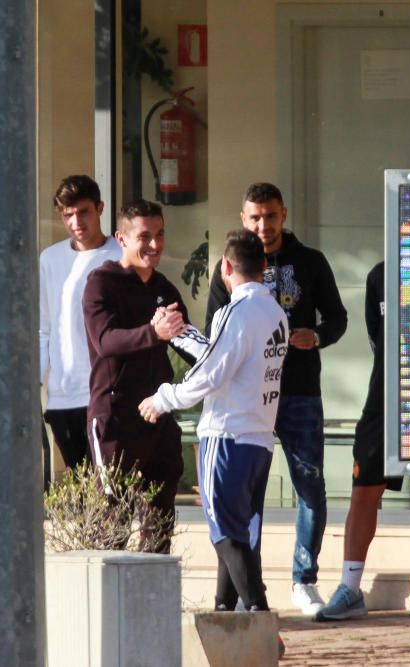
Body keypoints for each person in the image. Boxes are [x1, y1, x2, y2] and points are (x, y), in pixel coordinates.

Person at [205, 182, 348, 616]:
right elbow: (215, 328)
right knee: (249, 501)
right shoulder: (229, 266)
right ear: (243, 217)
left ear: (283, 214)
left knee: (311, 488)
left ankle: (304, 580)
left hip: (300, 391)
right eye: (254, 217)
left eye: (269, 216)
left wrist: (317, 336)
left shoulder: (311, 262)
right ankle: (252, 586)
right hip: (249, 401)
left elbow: (338, 317)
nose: (262, 225)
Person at [139, 229, 288, 612]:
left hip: (226, 436)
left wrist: (163, 398)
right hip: (258, 439)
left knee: (224, 532)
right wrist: (182, 333)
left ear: (225, 268)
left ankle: (260, 615)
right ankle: (226, 613)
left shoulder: (236, 311)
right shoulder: (274, 313)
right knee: (236, 531)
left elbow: (211, 373)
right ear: (265, 267)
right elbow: (225, 359)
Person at [316, 261, 410, 621]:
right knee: (364, 489)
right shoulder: (378, 275)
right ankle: (351, 588)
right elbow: (376, 337)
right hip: (382, 401)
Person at [83, 198, 206, 552]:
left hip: (158, 416)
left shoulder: (164, 288)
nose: (154, 245)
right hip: (114, 418)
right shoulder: (102, 282)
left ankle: (152, 601)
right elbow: (105, 341)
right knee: (113, 521)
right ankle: (106, 605)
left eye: (160, 235)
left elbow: (189, 342)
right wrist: (153, 333)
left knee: (160, 520)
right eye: (145, 236)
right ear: (121, 238)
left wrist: (225, 358)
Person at [39, 175, 121, 471]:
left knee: (110, 490)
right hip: (62, 398)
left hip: (106, 394)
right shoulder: (49, 259)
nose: (76, 221)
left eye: (83, 211)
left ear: (100, 208)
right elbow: (44, 328)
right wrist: (35, 382)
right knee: (82, 489)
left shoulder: (120, 255)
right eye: (67, 215)